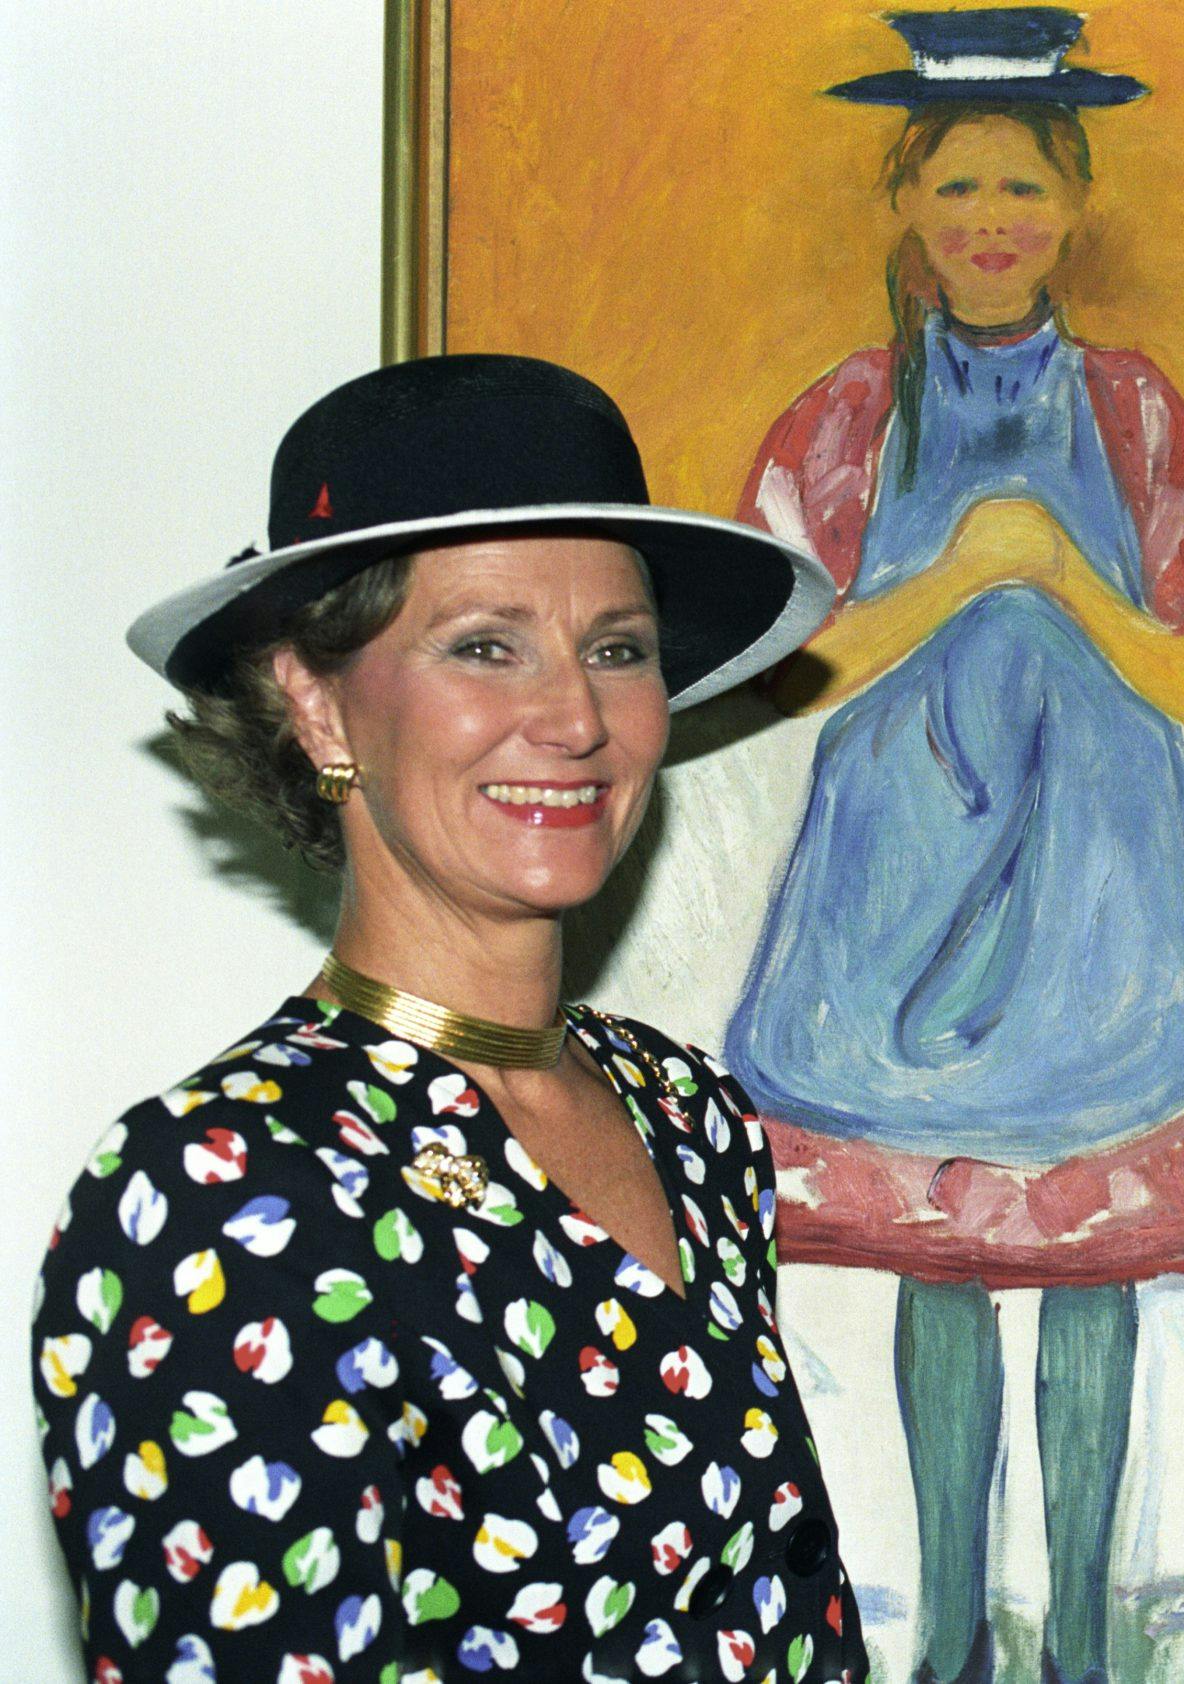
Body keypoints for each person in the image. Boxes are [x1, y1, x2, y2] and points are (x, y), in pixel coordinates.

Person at [34, 354, 866, 1679]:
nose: (576, 717)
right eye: (487, 646)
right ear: (315, 703)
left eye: (617, 650)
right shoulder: (221, 1192)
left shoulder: (686, 1113)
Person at [719, 12, 1184, 1683]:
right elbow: (768, 674)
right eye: (960, 186)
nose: (991, 220)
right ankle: (958, 1633)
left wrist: (1067, 578)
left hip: (1102, 909)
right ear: (908, 202)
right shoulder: (842, 422)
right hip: (898, 908)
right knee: (946, 1265)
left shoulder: (1139, 415)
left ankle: (1089, 1643)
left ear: (1074, 206)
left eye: (1024, 188)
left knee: (1094, 1263)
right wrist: (961, 574)